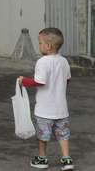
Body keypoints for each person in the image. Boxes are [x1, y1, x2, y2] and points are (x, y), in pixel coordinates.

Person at [18, 28, 74, 171]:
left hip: (44, 110)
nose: (40, 45)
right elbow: (67, 80)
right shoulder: (64, 61)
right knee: (63, 135)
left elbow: (39, 82)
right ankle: (67, 160)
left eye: (40, 42)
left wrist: (23, 81)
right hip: (61, 109)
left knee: (43, 136)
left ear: (48, 46)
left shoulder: (42, 62)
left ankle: (42, 158)